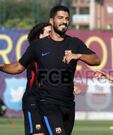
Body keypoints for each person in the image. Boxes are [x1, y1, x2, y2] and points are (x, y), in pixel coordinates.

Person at [0, 5, 100, 135]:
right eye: (60, 18)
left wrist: (78, 55)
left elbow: (96, 60)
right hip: (47, 103)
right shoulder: (38, 46)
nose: (64, 21)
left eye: (67, 18)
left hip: (69, 104)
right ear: (52, 21)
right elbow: (18, 67)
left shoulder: (75, 43)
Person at [24, 22, 51, 135]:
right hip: (33, 100)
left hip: (48, 101)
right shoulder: (34, 51)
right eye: (49, 32)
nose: (52, 34)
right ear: (40, 35)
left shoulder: (52, 52)